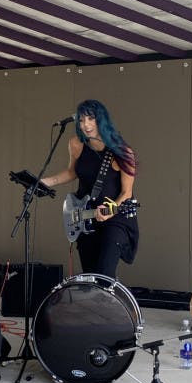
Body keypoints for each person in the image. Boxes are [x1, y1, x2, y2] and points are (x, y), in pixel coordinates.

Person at [41, 99, 139, 279]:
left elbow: (127, 193)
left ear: (101, 119)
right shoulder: (76, 144)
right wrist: (45, 182)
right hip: (86, 216)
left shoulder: (122, 151)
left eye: (90, 119)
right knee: (90, 276)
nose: (85, 125)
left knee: (104, 274)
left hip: (115, 217)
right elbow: (72, 172)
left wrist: (110, 210)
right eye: (81, 120)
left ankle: (109, 297)